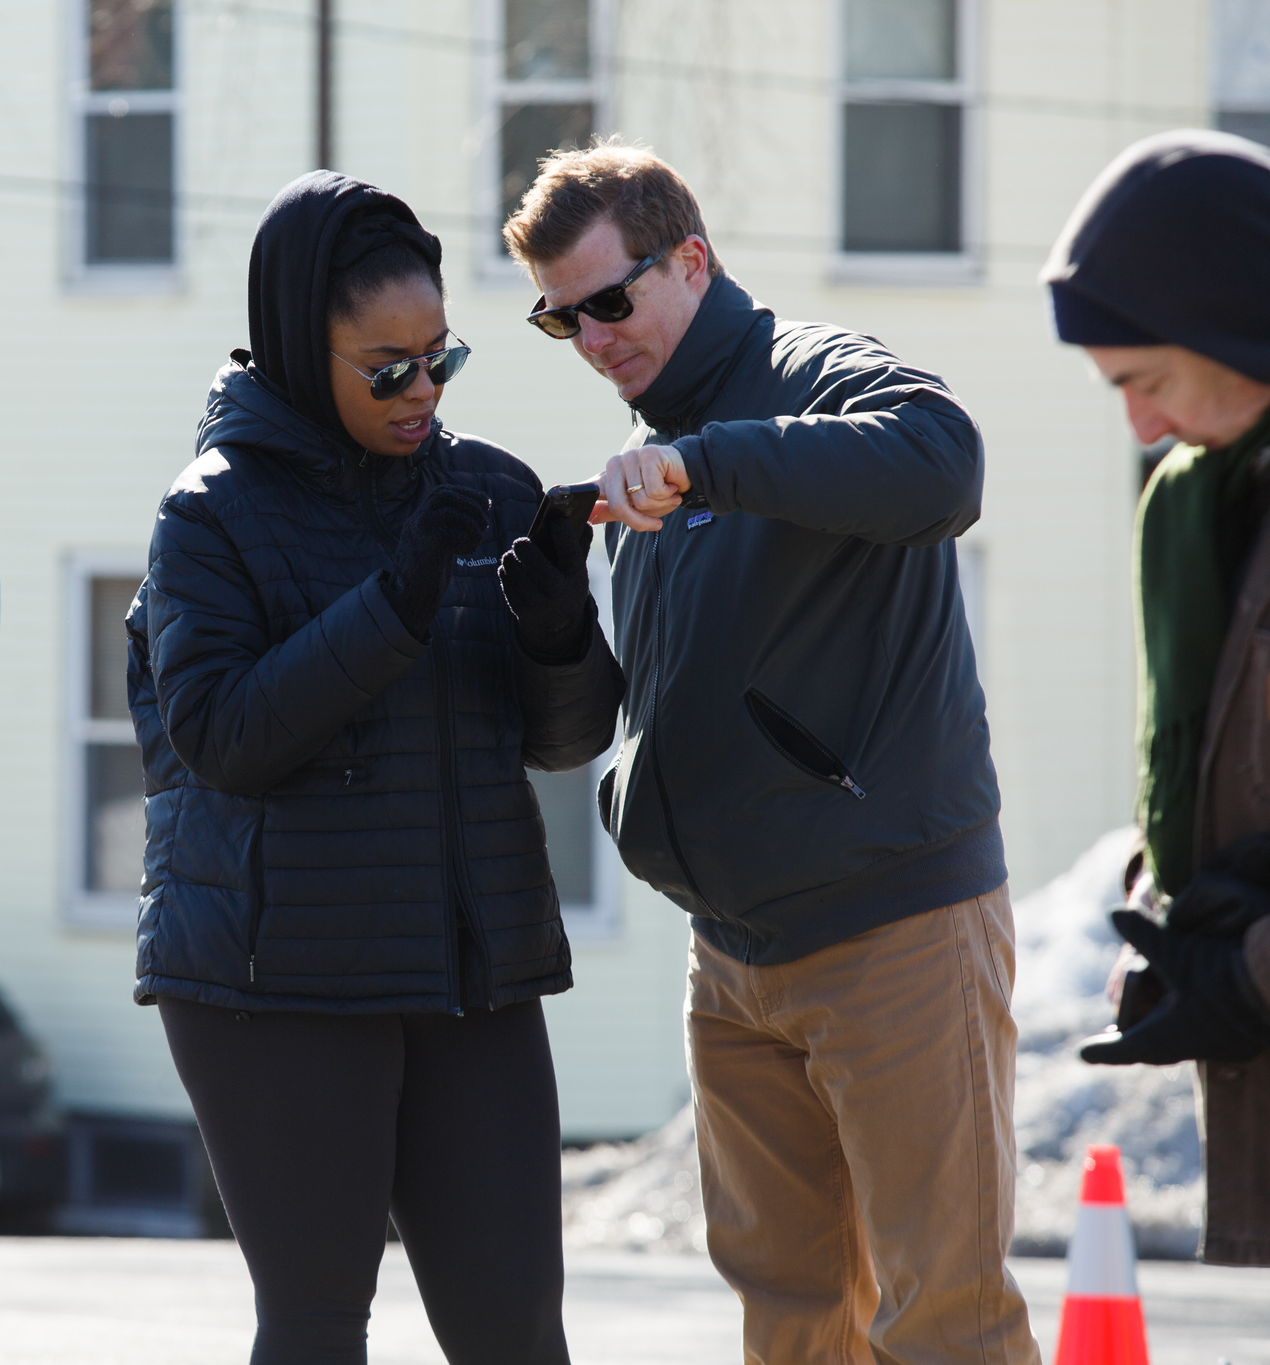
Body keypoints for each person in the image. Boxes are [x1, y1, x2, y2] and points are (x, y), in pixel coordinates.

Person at [502, 142, 1036, 1363]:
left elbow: (942, 461)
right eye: (557, 320)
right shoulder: (648, 467)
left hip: (892, 931)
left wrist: (706, 466)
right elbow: (620, 717)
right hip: (731, 958)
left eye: (608, 302)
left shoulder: (807, 373)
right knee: (792, 1325)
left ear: (689, 261)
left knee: (942, 1320)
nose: (590, 339)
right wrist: (549, 626)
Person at [128, 170, 622, 1365]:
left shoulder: (486, 488)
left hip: (469, 969)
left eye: (437, 359)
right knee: (313, 1330)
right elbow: (223, 738)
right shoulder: (210, 517)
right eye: (385, 369)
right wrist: (394, 603)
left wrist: (560, 636)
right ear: (305, 351)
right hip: (273, 979)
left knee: (517, 1337)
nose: (420, 393)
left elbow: (562, 742)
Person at [1050, 130, 1270, 1269]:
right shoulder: (1180, 507)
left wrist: (1246, 972)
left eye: (1146, 381)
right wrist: (1163, 926)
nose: (1135, 427)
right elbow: (1178, 763)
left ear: (1237, 322)